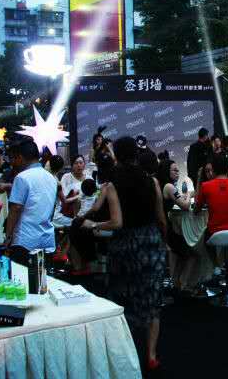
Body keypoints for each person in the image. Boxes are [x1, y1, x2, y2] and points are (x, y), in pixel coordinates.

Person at [93, 136, 166, 370]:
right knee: (152, 300)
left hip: (123, 245)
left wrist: (93, 225)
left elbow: (104, 215)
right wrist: (163, 241)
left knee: (122, 297)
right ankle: (151, 355)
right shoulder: (152, 182)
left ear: (116, 154)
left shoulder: (111, 183)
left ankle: (127, 352)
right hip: (150, 244)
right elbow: (161, 218)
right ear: (136, 153)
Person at [3, 138, 59, 264]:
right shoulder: (51, 178)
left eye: (15, 158)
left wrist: (8, 236)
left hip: (25, 242)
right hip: (47, 239)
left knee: (23, 276)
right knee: (44, 276)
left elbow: (15, 209)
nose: (13, 162)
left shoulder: (21, 177)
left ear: (20, 158)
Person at [156, 159, 194, 291]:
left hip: (161, 225)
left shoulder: (162, 185)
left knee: (179, 253)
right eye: (175, 170)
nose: (178, 172)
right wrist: (188, 194)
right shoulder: (169, 187)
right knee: (189, 254)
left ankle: (176, 283)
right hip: (165, 227)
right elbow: (185, 206)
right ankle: (181, 285)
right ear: (167, 171)